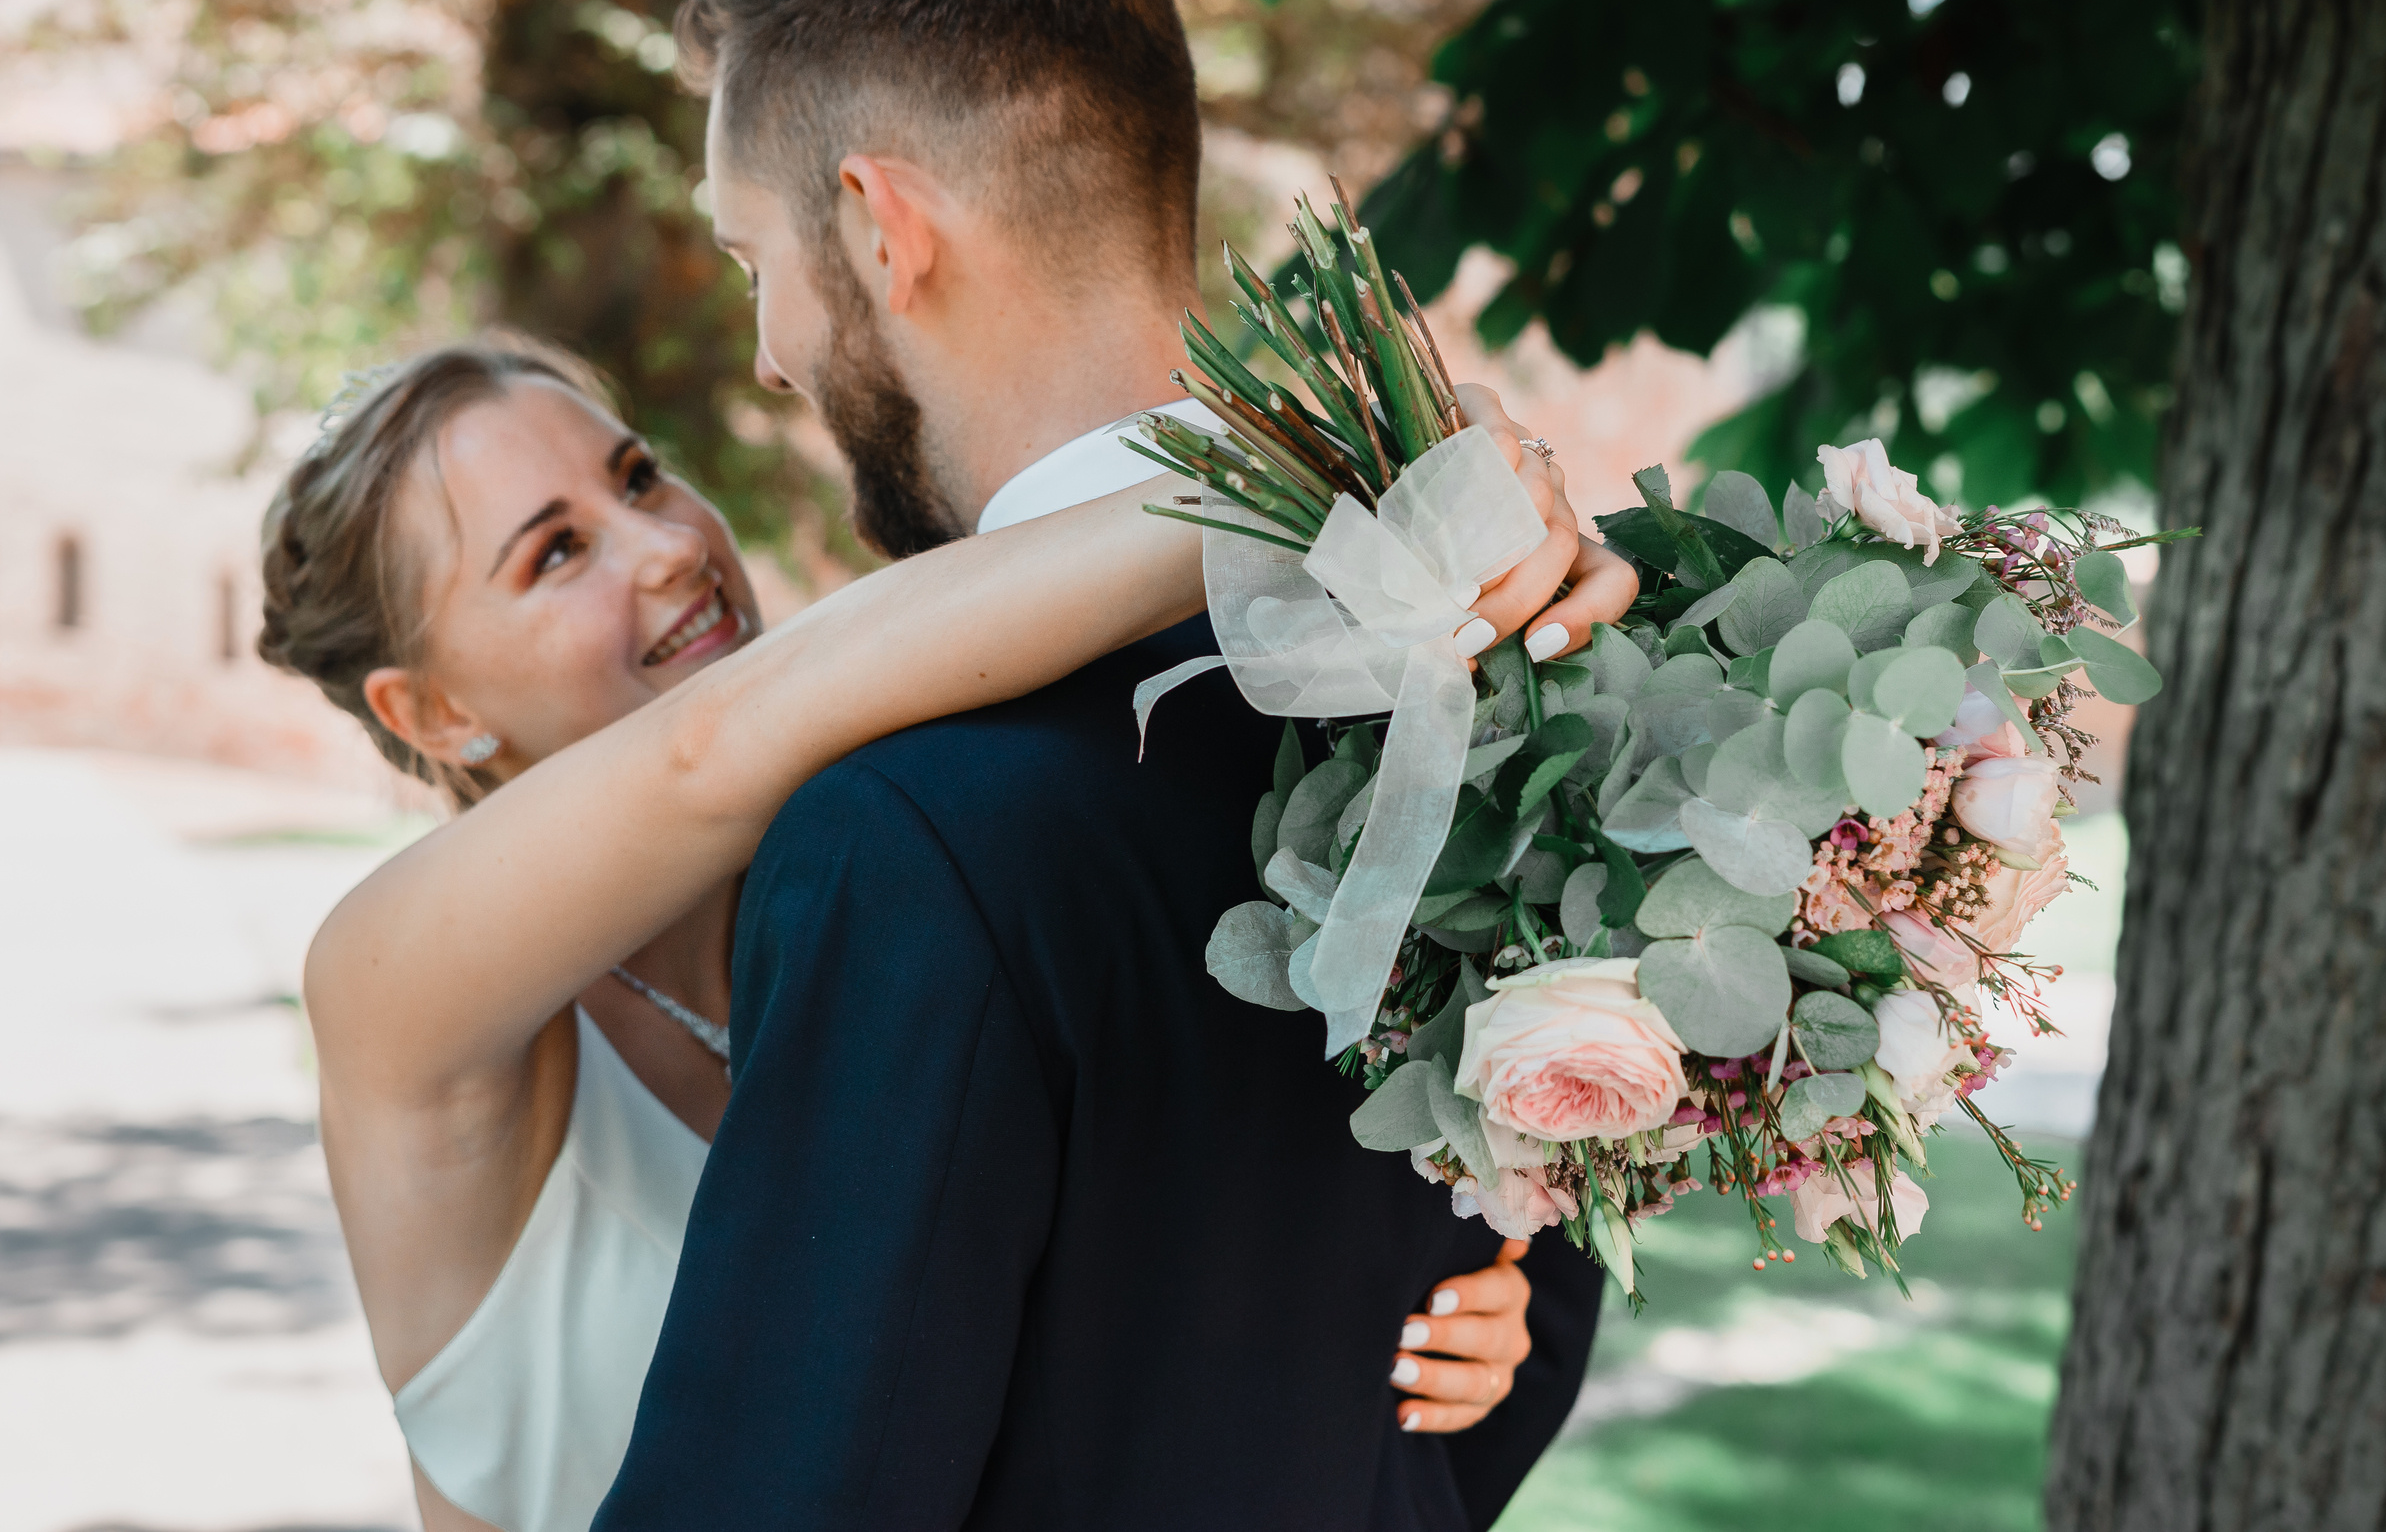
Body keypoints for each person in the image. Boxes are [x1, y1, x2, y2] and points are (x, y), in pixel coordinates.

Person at [594, 0, 1637, 1529]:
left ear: (879, 227)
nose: (768, 349)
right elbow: (1508, 1326)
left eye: (749, 259)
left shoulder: (910, 836)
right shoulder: (1487, 695)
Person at [265, 338, 1623, 1532]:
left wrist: (1436, 1321)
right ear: (431, 714)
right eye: (555, 553)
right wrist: (1347, 467)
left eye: (635, 477)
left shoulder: (908, 889)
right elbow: (711, 748)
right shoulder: (395, 1008)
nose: (670, 543)